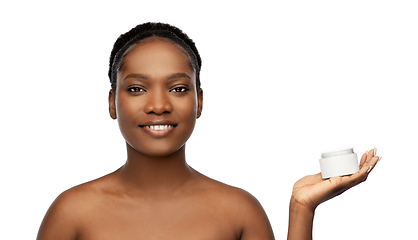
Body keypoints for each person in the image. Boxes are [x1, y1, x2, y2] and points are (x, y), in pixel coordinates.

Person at [37, 22, 381, 240]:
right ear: (112, 102)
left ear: (199, 102)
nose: (159, 105)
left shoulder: (238, 211)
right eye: (137, 88)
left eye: (179, 88)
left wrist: (301, 209)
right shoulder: (71, 212)